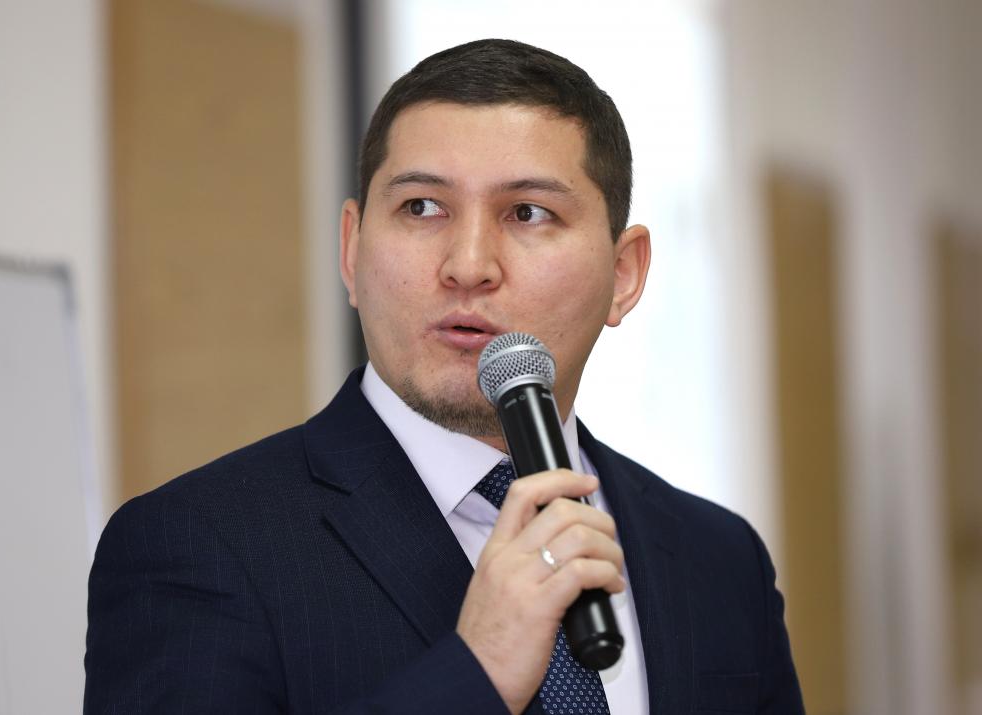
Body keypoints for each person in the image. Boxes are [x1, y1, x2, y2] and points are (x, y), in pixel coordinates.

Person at [84, 38, 804, 714]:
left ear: (624, 274)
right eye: (422, 208)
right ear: (352, 250)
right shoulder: (198, 544)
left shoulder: (719, 559)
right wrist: (477, 673)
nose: (468, 265)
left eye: (528, 212)